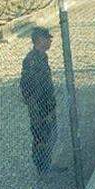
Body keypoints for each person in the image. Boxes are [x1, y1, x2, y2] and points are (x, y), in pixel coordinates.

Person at [19, 27, 58, 174]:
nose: (50, 41)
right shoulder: (31, 60)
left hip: (46, 105)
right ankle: (42, 168)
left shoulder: (42, 57)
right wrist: (39, 108)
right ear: (40, 40)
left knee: (49, 136)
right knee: (41, 137)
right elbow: (27, 86)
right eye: (47, 38)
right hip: (39, 107)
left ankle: (47, 163)